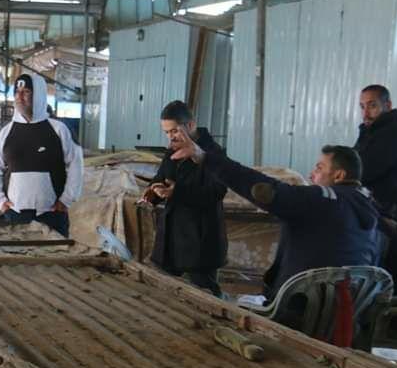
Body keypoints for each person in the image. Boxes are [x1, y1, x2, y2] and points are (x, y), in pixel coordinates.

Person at [171, 131, 380, 301]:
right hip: (349, 312)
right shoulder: (371, 210)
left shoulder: (323, 198)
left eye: (319, 168)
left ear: (339, 175)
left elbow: (268, 190)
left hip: (301, 308)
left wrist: (206, 158)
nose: (311, 175)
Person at [140, 100, 227, 295]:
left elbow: (216, 192)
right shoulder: (172, 149)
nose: (170, 137)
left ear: (190, 125)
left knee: (205, 298)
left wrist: (177, 192)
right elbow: (161, 177)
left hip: (200, 241)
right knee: (166, 295)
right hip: (171, 237)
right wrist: (152, 193)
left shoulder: (214, 153)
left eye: (174, 131)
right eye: (167, 132)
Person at [0, 72, 84, 237]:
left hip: (52, 214)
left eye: (26, 92)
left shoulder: (59, 129)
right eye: (17, 92)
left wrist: (66, 199)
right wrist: (0, 201)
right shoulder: (6, 131)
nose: (19, 97)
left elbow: (76, 165)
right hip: (15, 214)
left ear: (38, 95)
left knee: (55, 260)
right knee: (17, 260)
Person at [354, 84, 397, 223]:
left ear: (387, 105)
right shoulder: (371, 130)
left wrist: (334, 175)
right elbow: (352, 160)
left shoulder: (395, 132)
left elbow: (362, 170)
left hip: (387, 212)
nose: (365, 113)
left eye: (372, 106)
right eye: (362, 107)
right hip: (370, 206)